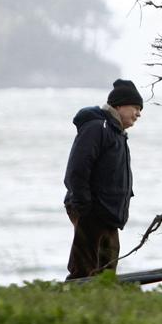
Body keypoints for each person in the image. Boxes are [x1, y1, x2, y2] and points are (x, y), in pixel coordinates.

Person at [63, 78, 143, 279]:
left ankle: (100, 303)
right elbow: (77, 169)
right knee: (83, 269)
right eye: (135, 107)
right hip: (92, 210)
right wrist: (83, 205)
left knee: (106, 270)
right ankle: (69, 303)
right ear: (118, 105)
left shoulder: (117, 134)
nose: (139, 114)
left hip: (108, 214)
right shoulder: (98, 127)